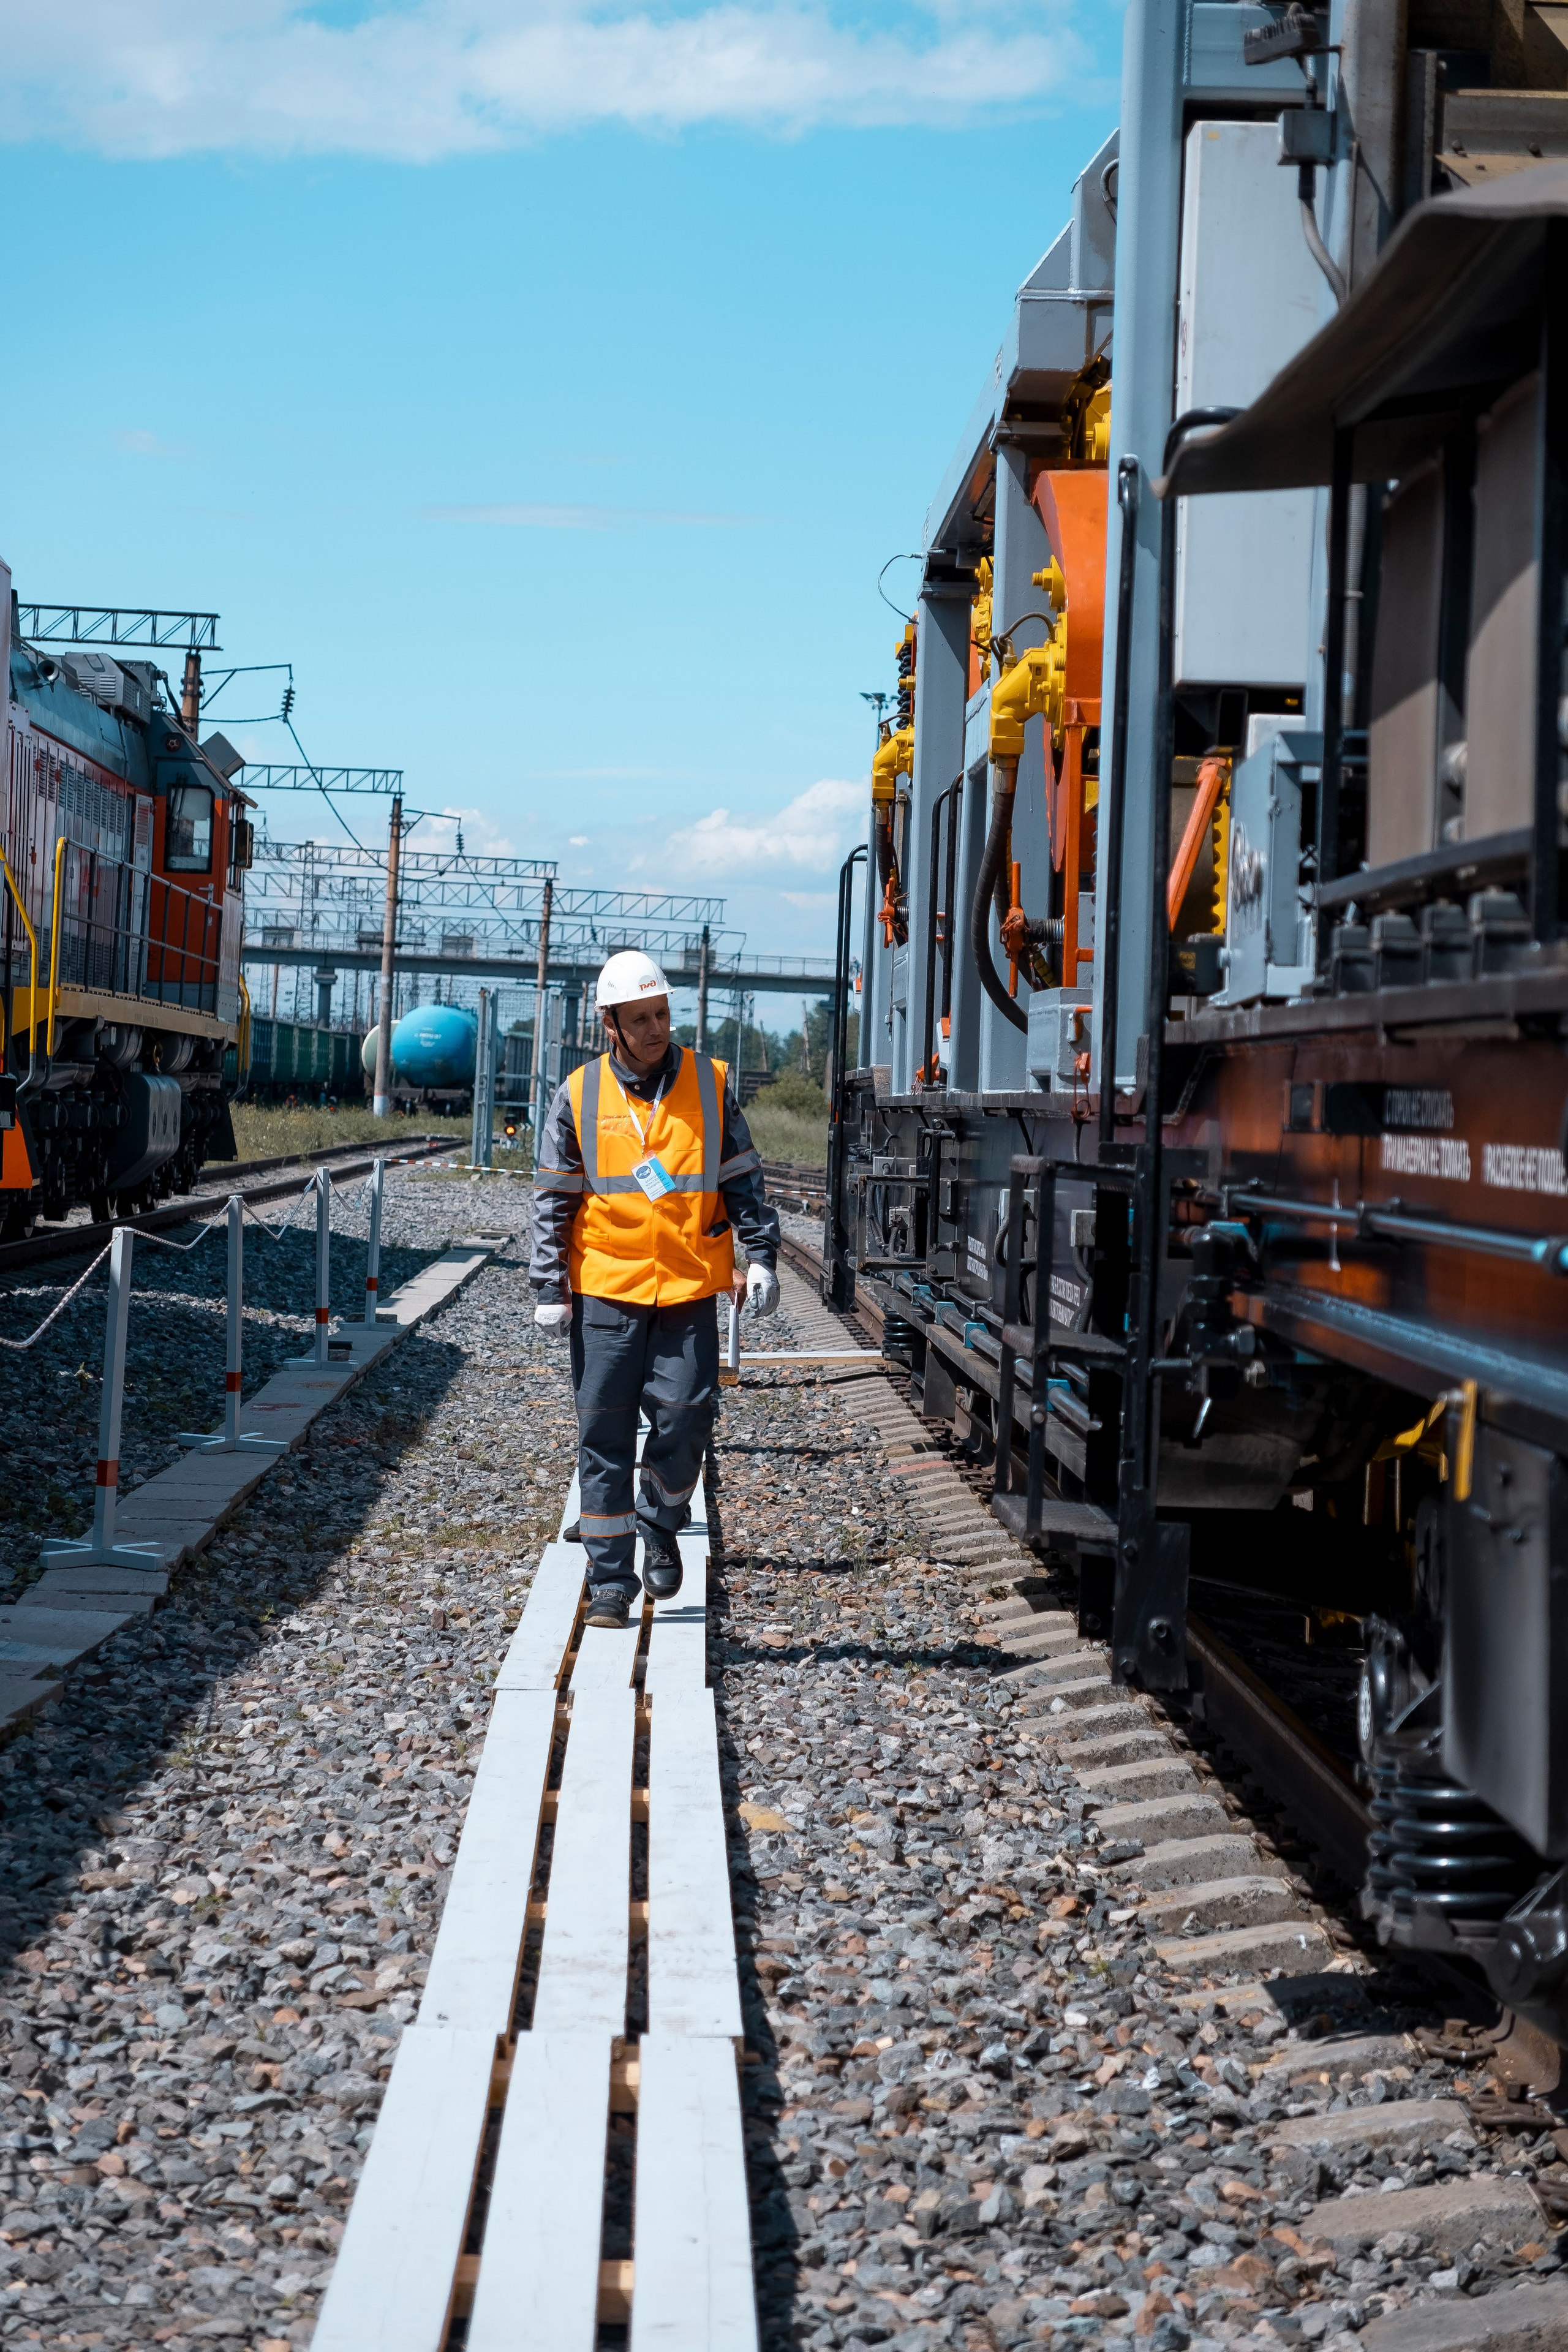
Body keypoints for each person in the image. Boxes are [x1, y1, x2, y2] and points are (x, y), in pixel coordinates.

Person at [530, 951, 782, 1629]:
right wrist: (548, 1284)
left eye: (662, 1015)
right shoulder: (578, 1094)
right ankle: (610, 1582)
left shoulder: (709, 1082)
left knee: (688, 1417)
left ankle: (660, 1519)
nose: (654, 1029)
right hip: (607, 1289)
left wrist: (762, 1256)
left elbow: (742, 1177)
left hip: (688, 1286)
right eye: (639, 1019)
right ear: (609, 1023)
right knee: (602, 1435)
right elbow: (553, 1198)